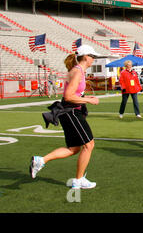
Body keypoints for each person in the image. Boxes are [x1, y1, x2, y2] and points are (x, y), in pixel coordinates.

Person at [29, 44, 102, 189]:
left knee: (74, 148)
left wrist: (84, 97)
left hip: (71, 111)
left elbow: (73, 93)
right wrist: (89, 100)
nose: (94, 59)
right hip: (71, 112)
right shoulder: (78, 72)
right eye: (92, 57)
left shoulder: (78, 71)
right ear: (86, 57)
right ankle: (78, 180)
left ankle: (41, 160)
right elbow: (68, 96)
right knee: (89, 145)